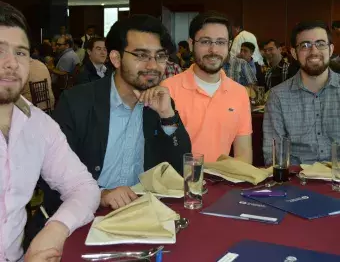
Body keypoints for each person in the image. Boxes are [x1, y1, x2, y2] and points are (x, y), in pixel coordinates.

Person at [50, 15, 191, 211]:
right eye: (141, 55)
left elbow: (182, 171)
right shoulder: (77, 102)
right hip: (85, 213)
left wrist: (168, 115)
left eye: (160, 56)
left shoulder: (159, 104)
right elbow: (53, 174)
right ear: (116, 58)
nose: (152, 65)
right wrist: (99, 195)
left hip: (142, 212)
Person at [0, 1, 100, 261]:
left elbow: (84, 187)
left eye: (20, 52)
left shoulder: (38, 124)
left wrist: (56, 228)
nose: (11, 63)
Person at [162, 11, 252, 163]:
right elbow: (160, 152)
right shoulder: (168, 90)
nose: (213, 50)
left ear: (229, 46)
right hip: (179, 184)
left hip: (223, 183)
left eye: (221, 42)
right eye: (205, 42)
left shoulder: (239, 93)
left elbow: (243, 154)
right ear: (191, 44)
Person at [263, 21, 340, 165]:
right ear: (294, 53)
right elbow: (273, 156)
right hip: (296, 182)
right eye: (305, 45)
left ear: (330, 49)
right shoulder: (278, 96)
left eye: (320, 44)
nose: (314, 51)